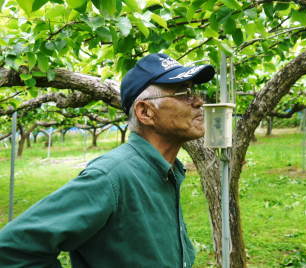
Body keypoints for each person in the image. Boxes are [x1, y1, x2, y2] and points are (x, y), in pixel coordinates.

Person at [0, 53, 215, 268]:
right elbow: (11, 249)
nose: (198, 101)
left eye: (194, 91)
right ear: (145, 112)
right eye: (183, 93)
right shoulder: (111, 177)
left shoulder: (165, 172)